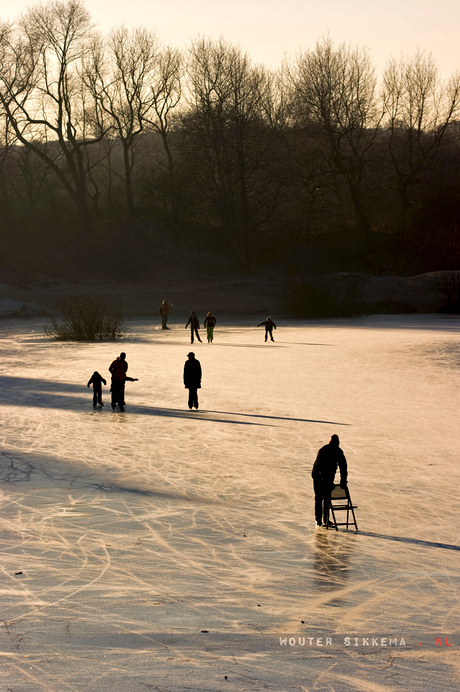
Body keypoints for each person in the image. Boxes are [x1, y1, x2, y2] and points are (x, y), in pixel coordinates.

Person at [311, 434, 348, 527]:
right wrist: (326, 481)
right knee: (319, 497)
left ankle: (326, 519)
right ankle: (318, 519)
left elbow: (343, 467)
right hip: (317, 476)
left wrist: (343, 480)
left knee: (327, 497)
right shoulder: (323, 451)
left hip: (329, 477)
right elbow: (320, 468)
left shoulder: (338, 452)